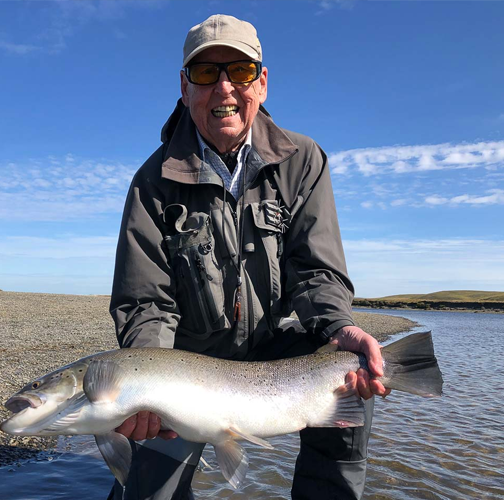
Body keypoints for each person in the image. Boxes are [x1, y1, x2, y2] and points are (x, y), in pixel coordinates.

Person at [108, 14, 388, 500]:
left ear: (261, 81)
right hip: (189, 358)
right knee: (148, 486)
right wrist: (145, 381)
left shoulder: (303, 160)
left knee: (347, 390)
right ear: (183, 87)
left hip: (280, 346)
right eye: (204, 74)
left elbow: (316, 270)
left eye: (239, 71)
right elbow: (143, 300)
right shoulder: (150, 182)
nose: (223, 89)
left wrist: (339, 326)